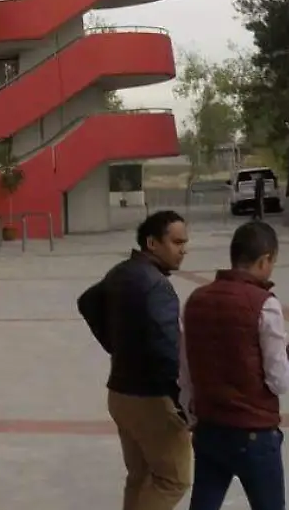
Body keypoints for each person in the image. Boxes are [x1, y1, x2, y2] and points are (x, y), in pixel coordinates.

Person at [180, 220, 289, 510]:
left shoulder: (196, 299)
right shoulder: (265, 304)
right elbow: (278, 381)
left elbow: (186, 370)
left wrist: (192, 417)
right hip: (254, 433)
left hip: (210, 428)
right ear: (265, 259)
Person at [76, 211, 192, 510]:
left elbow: (88, 301)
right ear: (152, 243)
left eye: (185, 242)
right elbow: (168, 351)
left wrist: (117, 346)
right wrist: (183, 402)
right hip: (151, 399)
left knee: (140, 475)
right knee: (172, 480)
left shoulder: (122, 271)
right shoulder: (157, 286)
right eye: (176, 242)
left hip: (120, 394)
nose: (183, 249)